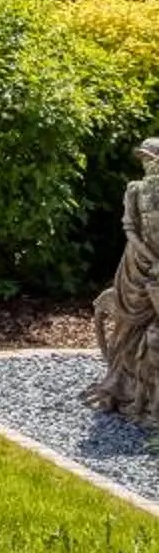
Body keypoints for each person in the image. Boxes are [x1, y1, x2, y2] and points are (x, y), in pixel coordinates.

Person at [92, 136, 159, 427]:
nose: (146, 164)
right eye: (143, 159)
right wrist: (150, 256)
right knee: (130, 323)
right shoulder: (135, 190)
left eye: (151, 158)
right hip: (136, 264)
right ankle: (125, 387)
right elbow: (129, 228)